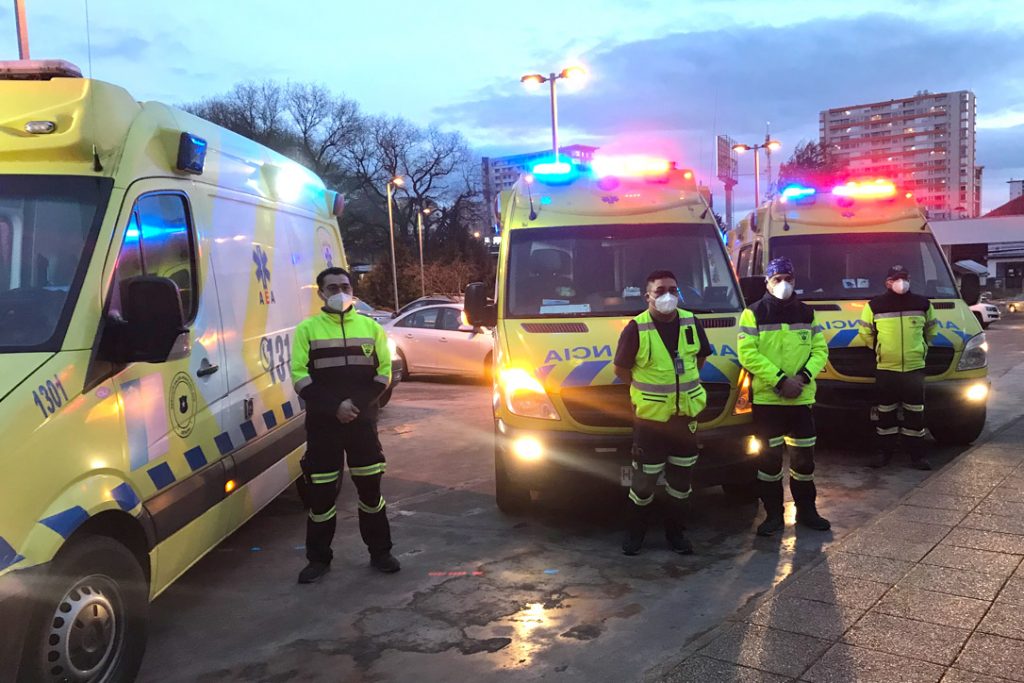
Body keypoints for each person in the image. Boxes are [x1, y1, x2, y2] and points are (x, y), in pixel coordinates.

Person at [290, 267, 400, 583]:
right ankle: (318, 559)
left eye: (345, 286)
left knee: (371, 493)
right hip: (323, 427)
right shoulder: (307, 330)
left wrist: (355, 406)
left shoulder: (370, 328)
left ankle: (380, 553)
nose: (340, 292)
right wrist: (334, 407)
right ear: (321, 293)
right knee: (321, 497)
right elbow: (299, 376)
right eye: (332, 287)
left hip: (361, 425)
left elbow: (383, 373)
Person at [614, 270, 712, 556]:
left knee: (681, 484)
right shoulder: (636, 328)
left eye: (672, 289)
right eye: (660, 291)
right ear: (648, 296)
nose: (667, 295)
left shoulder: (692, 322)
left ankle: (676, 535)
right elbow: (621, 370)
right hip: (651, 422)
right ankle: (635, 535)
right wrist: (647, 394)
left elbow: (701, 357)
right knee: (643, 485)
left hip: (685, 419)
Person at [738, 257, 831, 536]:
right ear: (767, 282)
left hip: (800, 400)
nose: (783, 284)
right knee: (768, 464)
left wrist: (801, 378)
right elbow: (748, 354)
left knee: (804, 463)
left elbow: (820, 351)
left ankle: (807, 512)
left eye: (788, 279)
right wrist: (780, 381)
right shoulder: (753, 313)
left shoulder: (807, 313)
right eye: (777, 279)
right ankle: (773, 516)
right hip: (768, 402)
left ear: (795, 281)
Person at [859, 265, 938, 470]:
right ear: (887, 282)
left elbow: (931, 330)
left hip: (914, 368)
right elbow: (865, 332)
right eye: (895, 279)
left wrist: (921, 348)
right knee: (885, 414)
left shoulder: (922, 304)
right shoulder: (874, 306)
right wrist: (880, 349)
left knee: (915, 415)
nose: (900, 282)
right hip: (887, 368)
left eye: (904, 278)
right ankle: (884, 453)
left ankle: (917, 456)